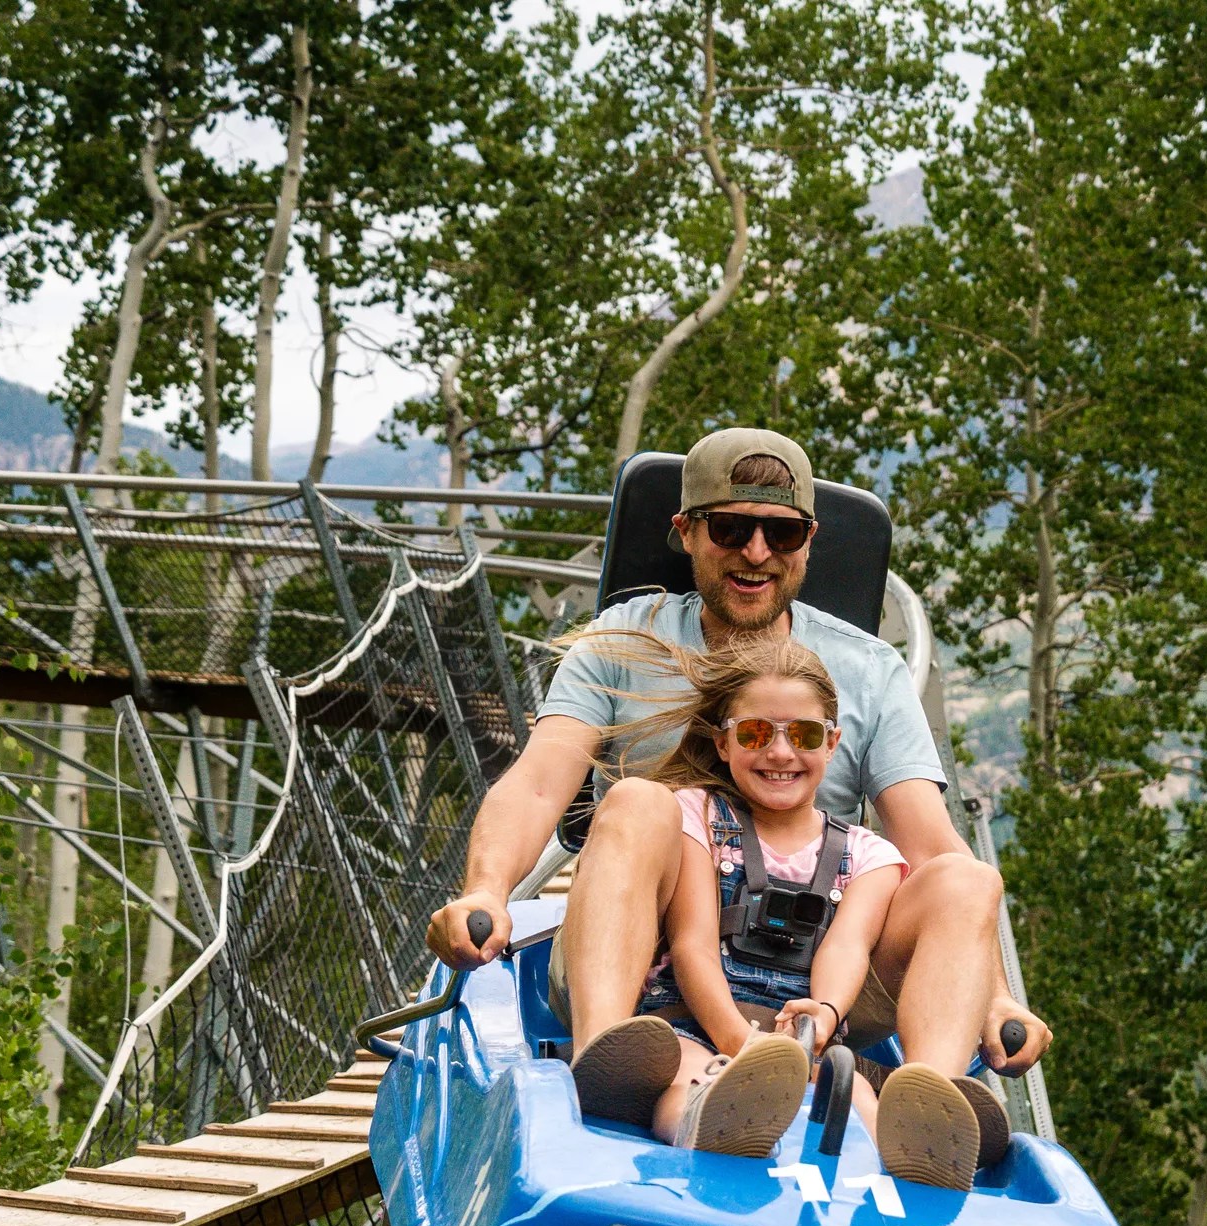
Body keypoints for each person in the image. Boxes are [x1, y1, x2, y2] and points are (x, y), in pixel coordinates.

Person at [425, 424, 1051, 1174]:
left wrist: (998, 1001)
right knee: (636, 804)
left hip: (820, 965)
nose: (757, 553)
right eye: (731, 528)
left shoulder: (867, 670)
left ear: (809, 542)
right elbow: (536, 782)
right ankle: (615, 1059)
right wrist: (484, 891)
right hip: (659, 957)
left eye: (781, 533)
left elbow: (934, 850)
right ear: (685, 532)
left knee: (968, 877)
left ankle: (931, 1107)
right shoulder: (623, 642)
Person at [602, 633, 993, 1187]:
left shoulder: (868, 856)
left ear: (832, 744)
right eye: (756, 733)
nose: (780, 753)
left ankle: (921, 1134)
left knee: (851, 1089)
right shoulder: (695, 815)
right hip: (702, 1020)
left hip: (801, 1038)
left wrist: (826, 1015)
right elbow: (693, 942)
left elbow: (847, 946)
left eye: (804, 735)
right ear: (723, 743)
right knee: (689, 1076)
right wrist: (741, 1045)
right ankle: (705, 1122)